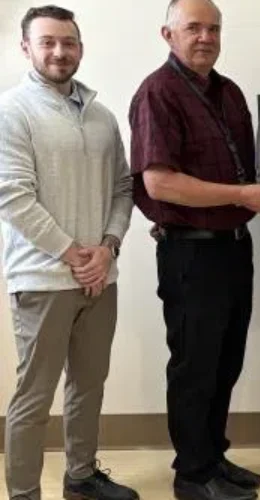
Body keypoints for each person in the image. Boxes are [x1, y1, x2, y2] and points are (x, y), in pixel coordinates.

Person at [129, 1, 260, 499]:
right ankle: (192, 476)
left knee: (225, 362)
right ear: (167, 33)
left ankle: (213, 457)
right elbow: (161, 183)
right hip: (191, 253)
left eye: (213, 28)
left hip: (234, 250)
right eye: (193, 27)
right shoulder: (158, 92)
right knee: (194, 366)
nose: (205, 37)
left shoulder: (229, 92)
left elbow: (258, 170)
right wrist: (243, 196)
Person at [0, 5, 138, 500]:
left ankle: (81, 477)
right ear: (26, 48)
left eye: (69, 42)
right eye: (48, 42)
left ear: (81, 46)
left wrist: (107, 248)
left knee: (89, 385)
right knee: (33, 399)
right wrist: (72, 253)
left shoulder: (101, 116)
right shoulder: (12, 110)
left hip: (101, 277)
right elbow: (13, 195)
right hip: (42, 281)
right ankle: (24, 493)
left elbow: (124, 187)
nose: (60, 51)